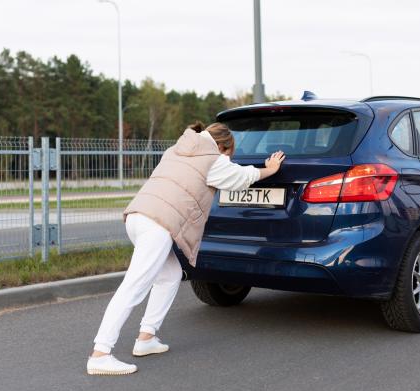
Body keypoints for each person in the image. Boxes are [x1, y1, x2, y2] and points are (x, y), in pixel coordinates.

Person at [87, 121, 285, 375]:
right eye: (229, 154)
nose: (227, 158)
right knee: (134, 286)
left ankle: (147, 338)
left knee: (170, 275)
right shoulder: (214, 160)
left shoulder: (175, 150)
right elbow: (241, 178)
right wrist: (269, 169)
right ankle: (100, 353)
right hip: (158, 225)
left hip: (138, 216)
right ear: (224, 147)